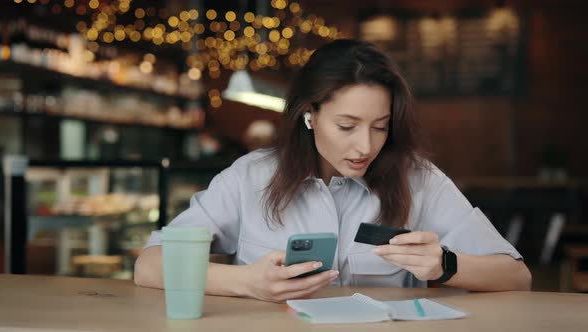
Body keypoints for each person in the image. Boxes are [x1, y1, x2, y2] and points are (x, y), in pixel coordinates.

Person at [134, 39, 531, 303]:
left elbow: (517, 277)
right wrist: (247, 282)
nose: (365, 146)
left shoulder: (419, 179)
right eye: (346, 126)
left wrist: (445, 265)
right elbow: (149, 265)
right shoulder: (250, 177)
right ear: (309, 115)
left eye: (380, 127)